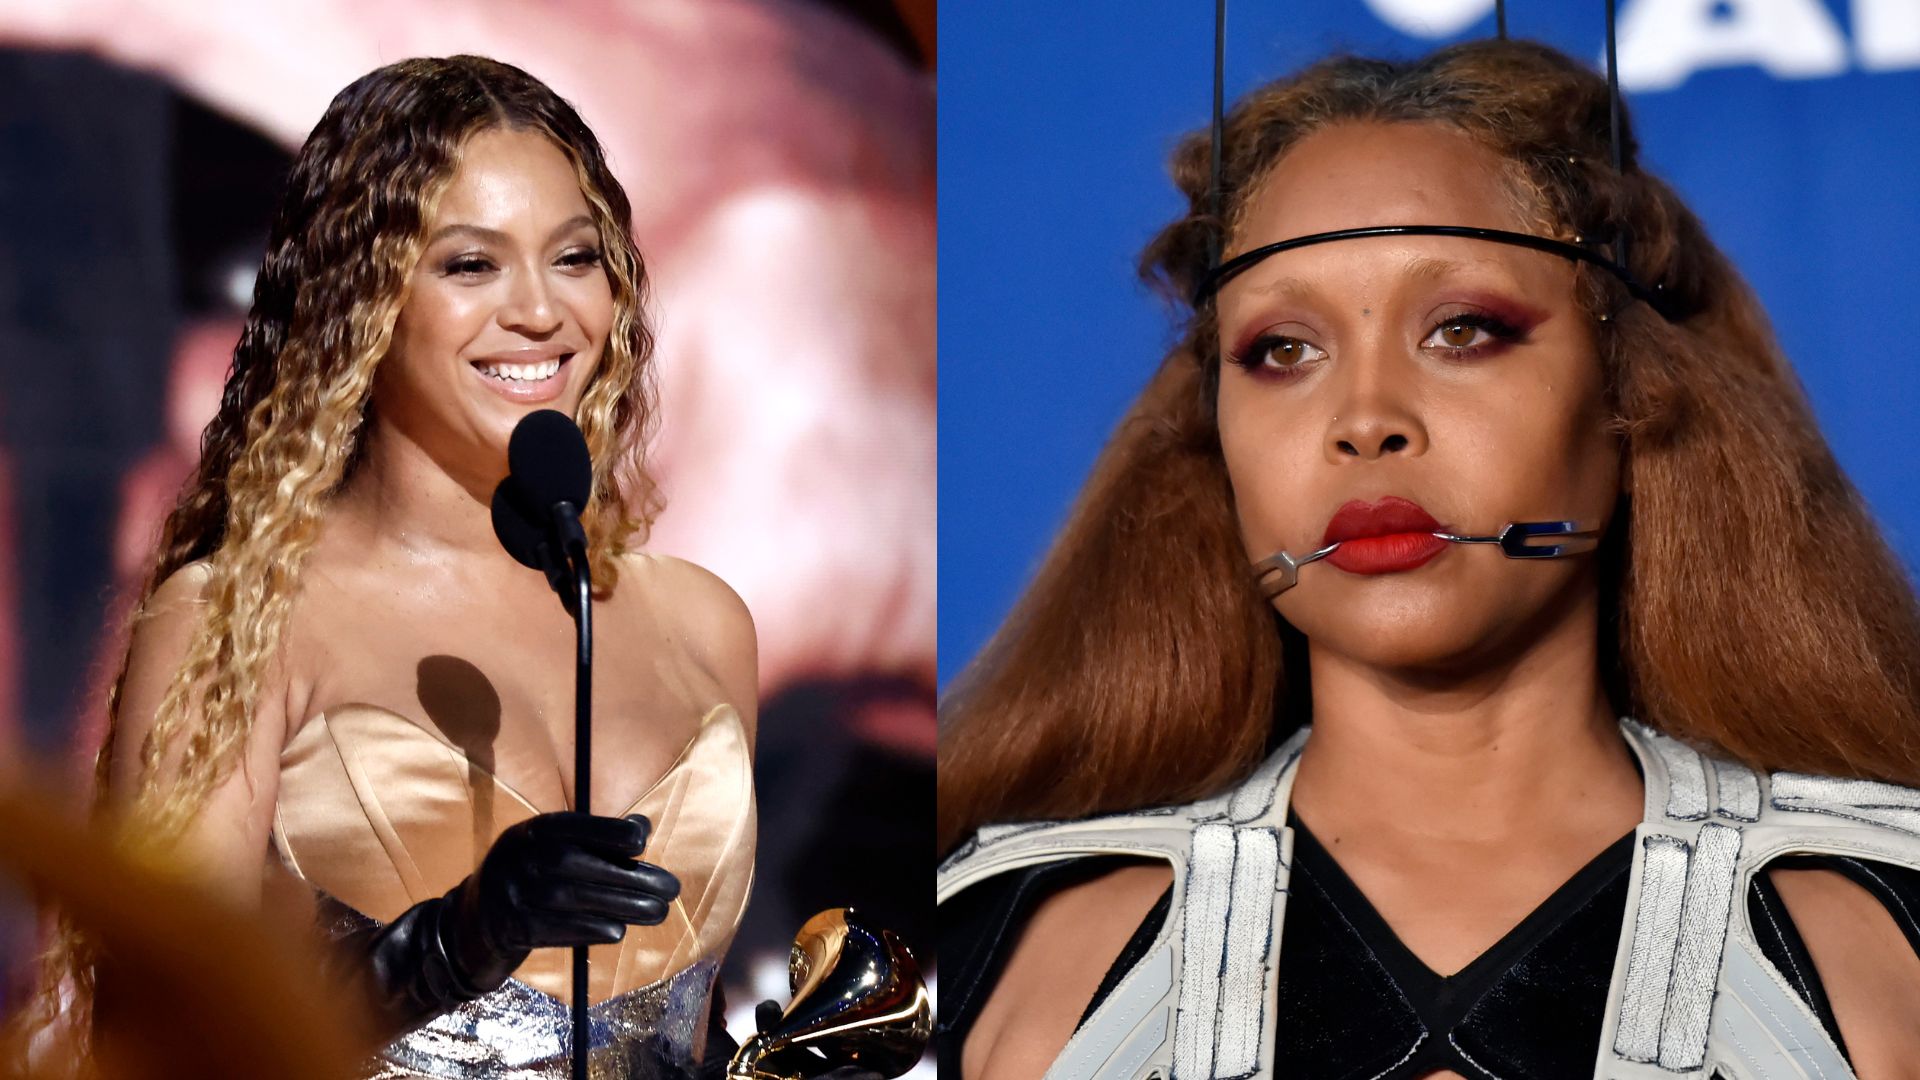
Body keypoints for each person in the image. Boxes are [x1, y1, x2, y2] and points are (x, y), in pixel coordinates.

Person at [937, 39, 1920, 1080]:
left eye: (1463, 331)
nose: (1366, 421)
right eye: (1283, 351)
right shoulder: (1007, 961)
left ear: (1630, 396)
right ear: (1214, 430)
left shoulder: (1877, 947)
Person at [17, 55, 770, 1080]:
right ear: (358, 303)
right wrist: (438, 950)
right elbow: (160, 1048)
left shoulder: (702, 624)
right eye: (471, 265)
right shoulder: (236, 620)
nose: (542, 313)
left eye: (576, 257)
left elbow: (673, 1026)